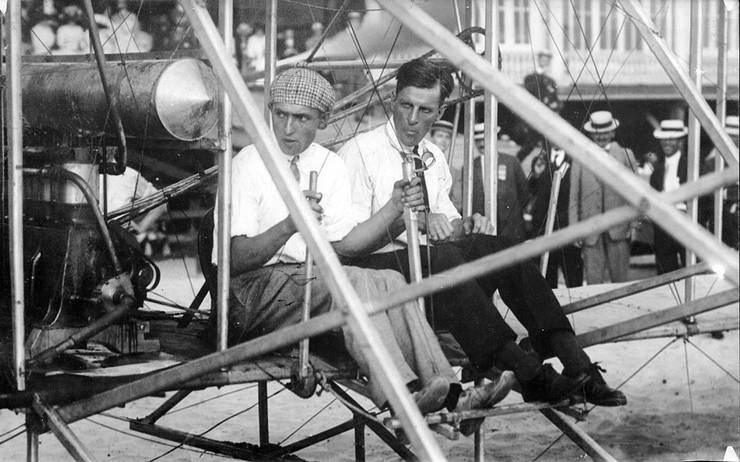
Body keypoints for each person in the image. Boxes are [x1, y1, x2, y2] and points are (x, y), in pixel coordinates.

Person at [215, 68, 512, 429]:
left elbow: (348, 244)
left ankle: (447, 391)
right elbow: (235, 260)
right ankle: (398, 394)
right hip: (251, 294)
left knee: (387, 280)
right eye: (281, 115)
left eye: (301, 118)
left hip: (308, 282)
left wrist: (393, 209)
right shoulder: (248, 164)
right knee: (350, 285)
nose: (288, 129)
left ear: (322, 121)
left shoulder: (327, 165)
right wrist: (290, 223)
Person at [339, 58, 625, 407]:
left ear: (440, 109)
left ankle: (577, 364)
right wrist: (408, 220)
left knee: (503, 247)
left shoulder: (433, 156)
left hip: (437, 274)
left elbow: (447, 225)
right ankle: (528, 372)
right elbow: (348, 247)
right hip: (381, 277)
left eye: (425, 110)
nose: (413, 120)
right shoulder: (359, 153)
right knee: (447, 257)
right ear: (393, 99)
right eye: (405, 106)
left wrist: (465, 225)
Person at [569, 111, 638, 284]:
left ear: (613, 132)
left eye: (605, 132)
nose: (601, 137)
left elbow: (635, 193)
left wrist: (634, 224)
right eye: (597, 133)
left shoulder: (625, 155)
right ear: (591, 134)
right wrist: (575, 229)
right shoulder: (580, 157)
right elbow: (574, 197)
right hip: (591, 231)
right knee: (593, 282)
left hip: (619, 229)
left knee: (620, 282)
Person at [525, 145, 584, 288]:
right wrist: (535, 176)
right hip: (544, 231)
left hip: (567, 230)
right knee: (547, 282)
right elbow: (531, 192)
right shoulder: (540, 160)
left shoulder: (576, 160)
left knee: (573, 280)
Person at [471, 123, 528, 243]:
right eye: (478, 140)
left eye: (484, 139)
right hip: (483, 230)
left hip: (511, 229)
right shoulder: (470, 166)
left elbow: (524, 193)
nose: (481, 144)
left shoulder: (511, 162)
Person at [647, 119, 689, 273]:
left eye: (671, 139)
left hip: (686, 225)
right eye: (664, 139)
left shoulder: (691, 166)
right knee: (665, 272)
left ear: (680, 141)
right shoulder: (657, 171)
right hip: (664, 226)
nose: (667, 143)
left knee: (691, 270)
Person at [101, 165, 168, 257]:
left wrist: (140, 228)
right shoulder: (80, 171)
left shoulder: (128, 175)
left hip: (119, 243)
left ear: (116, 149)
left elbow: (160, 200)